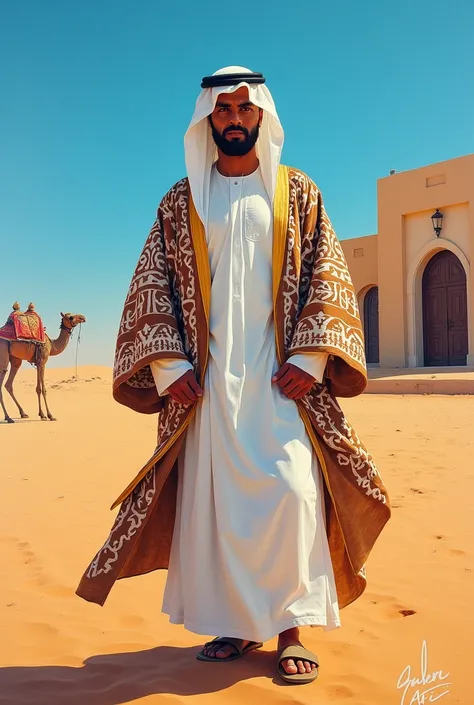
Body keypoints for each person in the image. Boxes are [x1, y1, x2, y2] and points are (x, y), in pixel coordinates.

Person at [77, 66, 390, 685]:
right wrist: (168, 367)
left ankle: (291, 628)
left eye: (246, 110)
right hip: (209, 387)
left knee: (293, 493)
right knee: (218, 507)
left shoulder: (298, 193)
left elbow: (329, 274)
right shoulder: (181, 201)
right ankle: (236, 623)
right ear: (207, 120)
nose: (235, 120)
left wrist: (310, 359)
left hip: (282, 381)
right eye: (224, 112)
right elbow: (152, 287)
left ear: (262, 117)